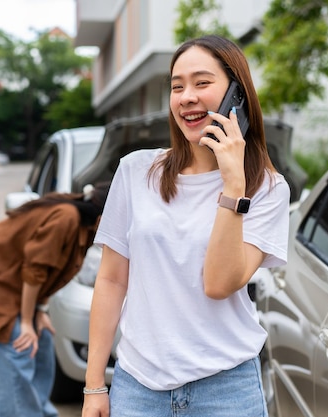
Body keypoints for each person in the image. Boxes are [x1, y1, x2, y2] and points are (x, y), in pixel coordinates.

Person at [82, 35, 290, 417]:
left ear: (236, 96)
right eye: (177, 87)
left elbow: (219, 283)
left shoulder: (267, 188)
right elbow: (112, 279)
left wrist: (233, 186)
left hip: (227, 391)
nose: (186, 97)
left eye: (202, 83)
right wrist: (94, 385)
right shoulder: (135, 171)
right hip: (138, 387)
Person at [0, 182, 110, 417]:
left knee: (42, 341)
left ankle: (37, 412)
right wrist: (26, 322)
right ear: (102, 217)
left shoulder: (84, 229)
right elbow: (35, 270)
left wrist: (40, 311)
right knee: (19, 348)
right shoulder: (66, 218)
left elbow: (52, 273)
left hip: (15, 284)